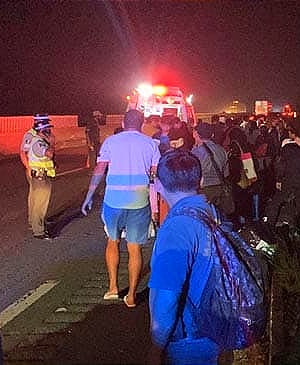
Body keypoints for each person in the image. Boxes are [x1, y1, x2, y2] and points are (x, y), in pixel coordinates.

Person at [80, 109, 160, 308]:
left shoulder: (110, 142)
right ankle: (132, 295)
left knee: (112, 242)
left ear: (123, 123)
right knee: (134, 248)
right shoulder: (151, 144)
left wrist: (89, 195)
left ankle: (113, 288)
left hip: (113, 200)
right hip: (139, 202)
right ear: (141, 124)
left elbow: (100, 169)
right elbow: (156, 176)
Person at [147, 150, 221, 364]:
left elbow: (167, 298)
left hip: (190, 339)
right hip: (214, 327)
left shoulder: (177, 230)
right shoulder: (210, 212)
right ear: (201, 180)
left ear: (158, 185)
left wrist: (155, 349)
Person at [264, 137, 300, 226]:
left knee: (276, 202)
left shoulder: (285, 150)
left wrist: (278, 180)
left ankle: (270, 225)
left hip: (290, 179)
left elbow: (280, 166)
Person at [23, 114, 56, 240]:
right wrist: (52, 144)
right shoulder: (38, 142)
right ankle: (39, 231)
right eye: (47, 129)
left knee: (38, 203)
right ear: (42, 130)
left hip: (41, 175)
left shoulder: (38, 140)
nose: (50, 131)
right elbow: (48, 154)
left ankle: (37, 225)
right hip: (40, 177)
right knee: (40, 204)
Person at [192, 122, 233, 217]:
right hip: (220, 188)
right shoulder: (221, 150)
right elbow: (226, 173)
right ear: (212, 135)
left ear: (196, 134)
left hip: (204, 190)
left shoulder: (196, 152)